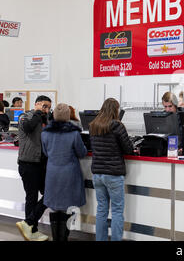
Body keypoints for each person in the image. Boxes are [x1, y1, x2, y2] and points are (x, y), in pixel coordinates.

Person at [41, 103, 87, 241]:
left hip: (52, 173)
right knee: (68, 207)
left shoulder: (45, 133)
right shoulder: (73, 133)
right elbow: (82, 152)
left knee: (54, 208)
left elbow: (45, 152)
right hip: (69, 174)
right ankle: (64, 238)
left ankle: (56, 238)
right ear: (68, 116)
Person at [89, 98, 133, 241]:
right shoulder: (117, 126)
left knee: (101, 210)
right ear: (115, 110)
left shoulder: (93, 126)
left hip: (97, 174)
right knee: (117, 211)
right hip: (113, 174)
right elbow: (128, 149)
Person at [16, 95, 52, 241]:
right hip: (28, 164)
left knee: (49, 195)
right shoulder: (25, 116)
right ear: (36, 104)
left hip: (42, 164)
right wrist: (38, 112)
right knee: (31, 198)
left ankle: (28, 224)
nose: (47, 110)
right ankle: (32, 231)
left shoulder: (46, 119)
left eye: (49, 107)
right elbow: (28, 127)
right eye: (44, 106)